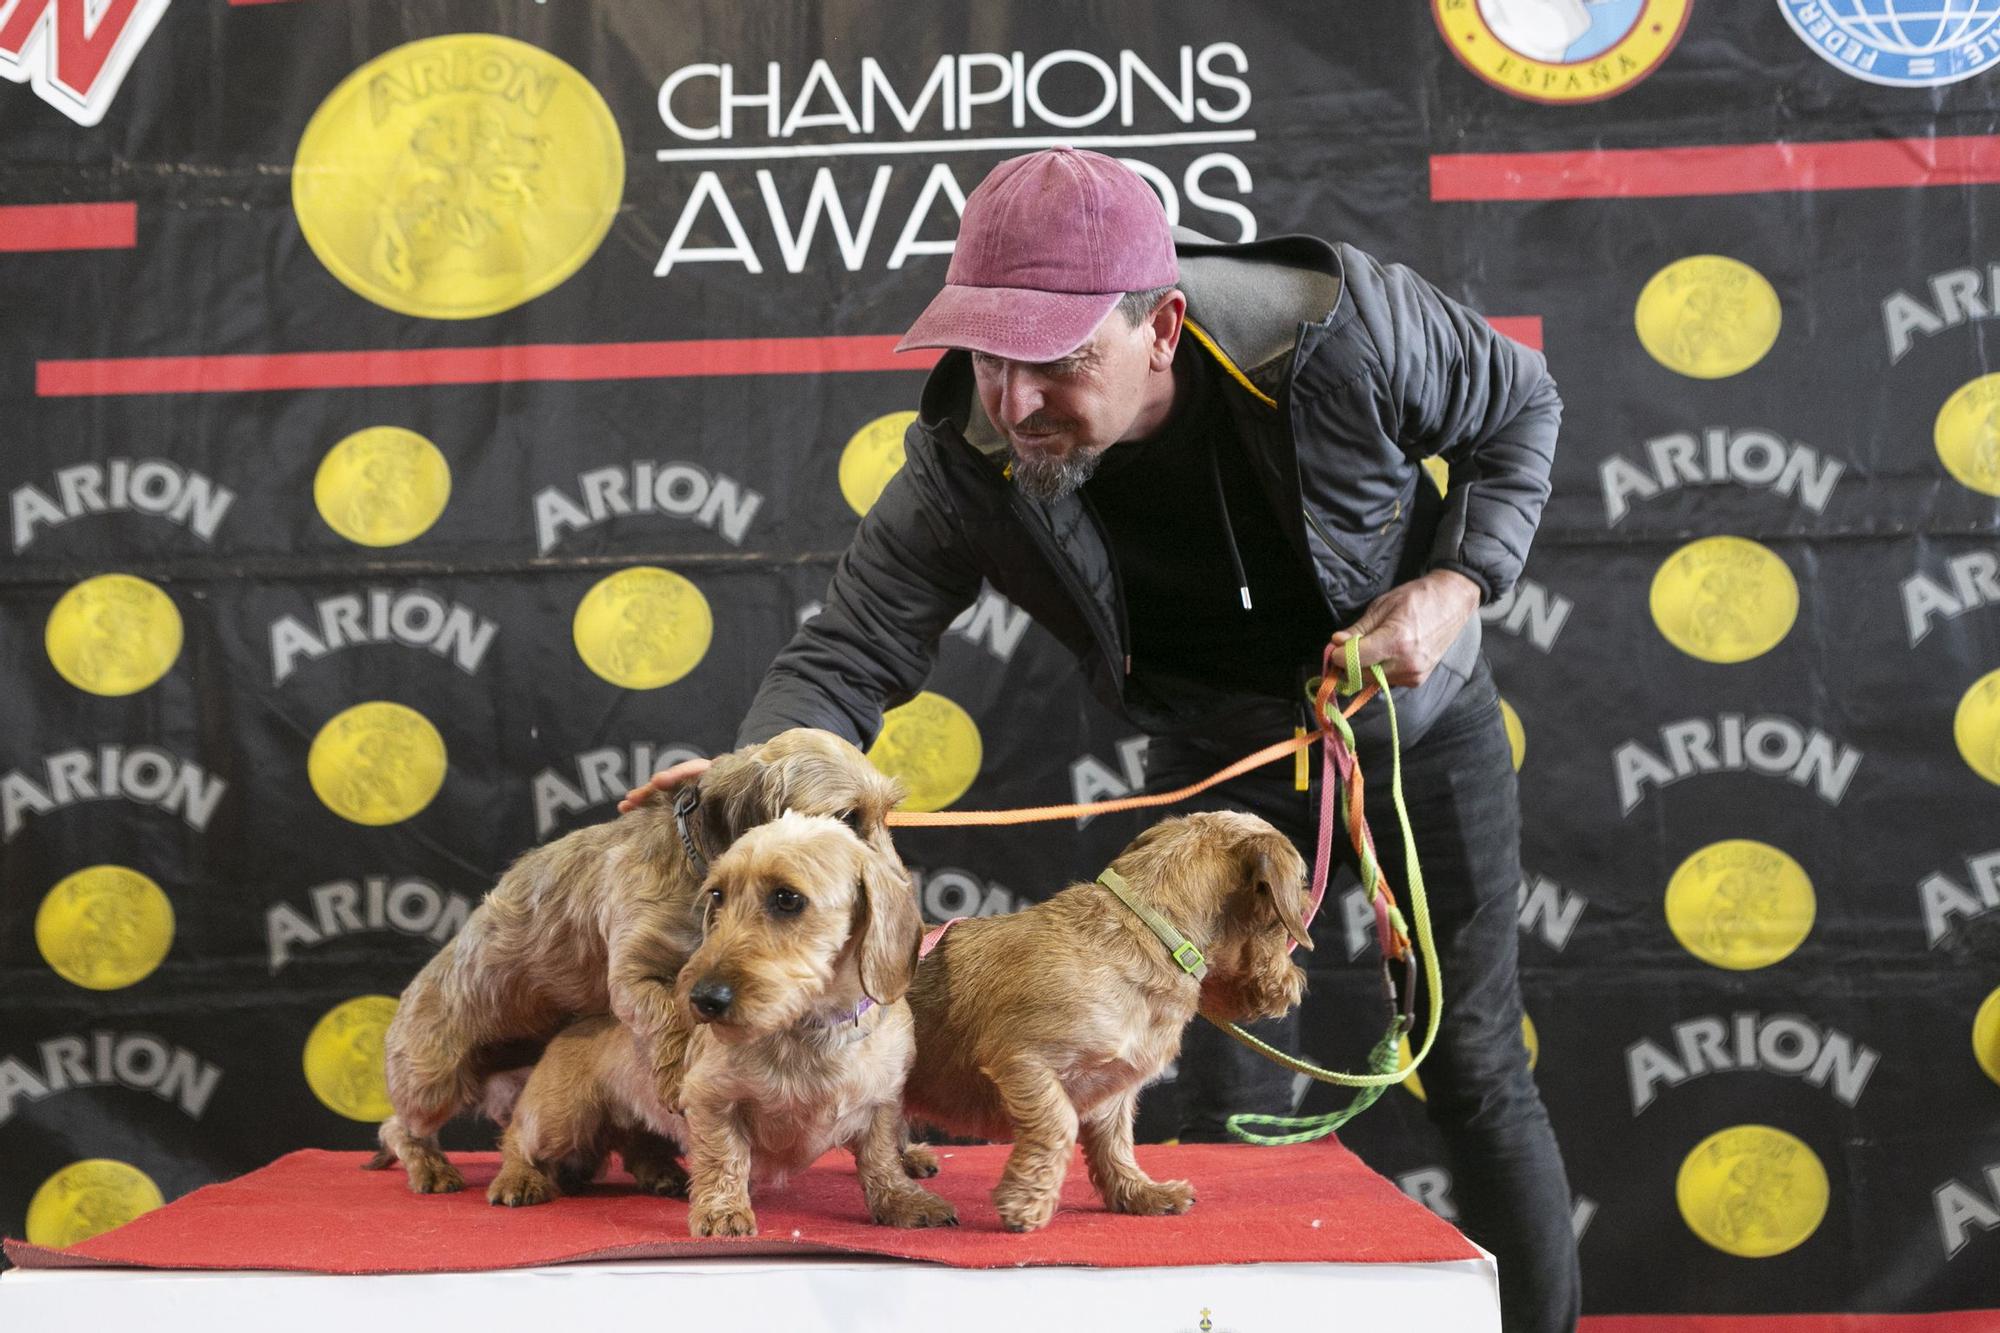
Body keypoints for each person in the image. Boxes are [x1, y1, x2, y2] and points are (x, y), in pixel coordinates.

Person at [622, 147, 1578, 1332]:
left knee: (1473, 1068)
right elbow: (848, 650)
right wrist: (758, 789)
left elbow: (1518, 403)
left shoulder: (1343, 333)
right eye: (989, 359)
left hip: (1406, 729)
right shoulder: (966, 458)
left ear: (1160, 328)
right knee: (1201, 1092)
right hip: (1207, 773)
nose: (1015, 403)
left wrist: (1454, 583)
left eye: (1058, 361)